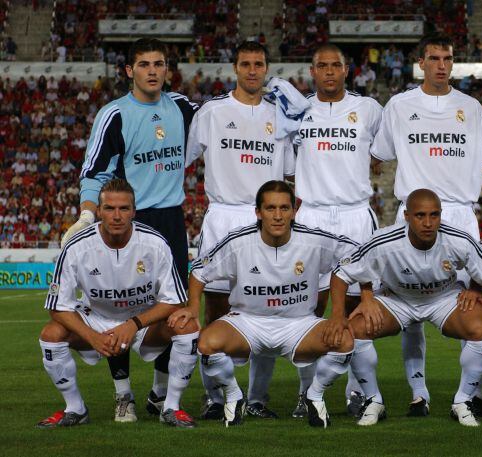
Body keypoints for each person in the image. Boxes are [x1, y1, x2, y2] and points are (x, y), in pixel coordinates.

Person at [63, 38, 199, 421]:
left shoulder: (183, 108)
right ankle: (123, 394)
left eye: (159, 63)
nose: (152, 71)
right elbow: (94, 171)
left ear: (167, 69)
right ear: (129, 71)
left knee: (172, 311)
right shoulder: (115, 115)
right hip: (129, 221)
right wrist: (88, 216)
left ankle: (159, 392)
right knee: (119, 305)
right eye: (144, 64)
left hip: (171, 220)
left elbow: (227, 111)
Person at [372, 33, 482, 416]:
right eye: (434, 58)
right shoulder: (399, 105)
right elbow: (382, 153)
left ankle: (468, 393)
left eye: (448, 57)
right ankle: (418, 394)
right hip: (412, 213)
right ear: (420, 63)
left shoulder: (472, 107)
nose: (442, 65)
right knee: (410, 305)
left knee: (469, 302)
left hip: (459, 212)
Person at [330, 189, 482, 427]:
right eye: (420, 216)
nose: (428, 223)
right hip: (398, 299)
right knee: (354, 330)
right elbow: (341, 273)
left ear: (441, 215)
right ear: (406, 216)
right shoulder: (385, 240)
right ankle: (373, 400)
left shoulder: (459, 239)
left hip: (443, 298)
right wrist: (341, 313)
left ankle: (463, 401)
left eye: (434, 215)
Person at [186, 181, 358, 428]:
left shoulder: (315, 240)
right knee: (206, 344)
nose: (278, 216)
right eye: (270, 208)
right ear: (258, 212)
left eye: (284, 208)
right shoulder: (238, 242)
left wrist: (350, 307)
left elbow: (359, 258)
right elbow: (199, 271)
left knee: (345, 342)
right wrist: (193, 308)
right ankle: (234, 396)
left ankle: (315, 395)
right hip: (247, 322)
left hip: (299, 324)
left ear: (294, 211)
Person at [184, 41, 296, 421]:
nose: (252, 70)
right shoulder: (212, 112)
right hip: (222, 218)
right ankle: (216, 397)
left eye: (259, 64)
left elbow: (291, 171)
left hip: (267, 221)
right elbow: (183, 160)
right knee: (214, 311)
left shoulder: (281, 115)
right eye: (245, 64)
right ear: (235, 67)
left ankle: (258, 397)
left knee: (269, 308)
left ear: (267, 68)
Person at [36, 179, 199, 428]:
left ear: (134, 211)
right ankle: (75, 408)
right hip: (97, 318)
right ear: (99, 211)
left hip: (143, 320)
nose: (117, 216)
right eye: (110, 208)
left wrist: (133, 324)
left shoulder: (154, 243)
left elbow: (176, 300)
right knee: (51, 334)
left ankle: (171, 407)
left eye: (124, 208)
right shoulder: (77, 246)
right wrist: (92, 336)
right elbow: (57, 306)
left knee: (187, 326)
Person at [285, 43, 383, 417]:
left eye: (335, 66)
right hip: (310, 215)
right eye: (321, 66)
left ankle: (357, 392)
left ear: (347, 70)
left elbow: (383, 152)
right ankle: (305, 392)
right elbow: (290, 166)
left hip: (356, 215)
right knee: (307, 308)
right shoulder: (297, 110)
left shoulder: (369, 109)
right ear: (312, 71)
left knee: (359, 309)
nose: (328, 72)